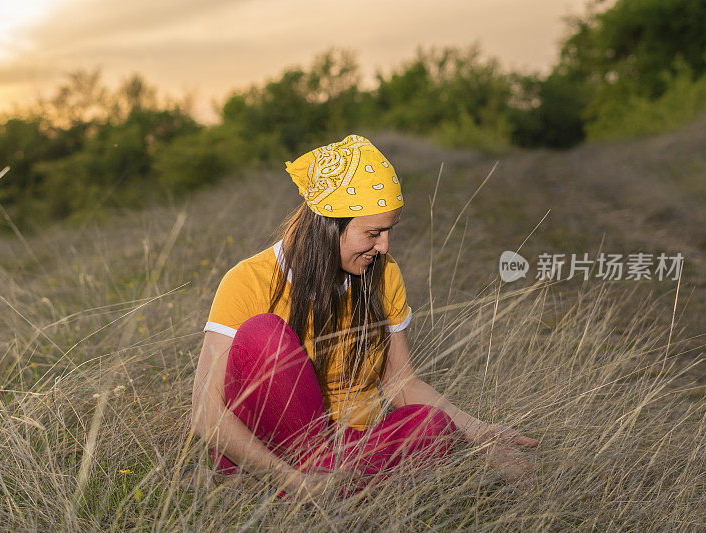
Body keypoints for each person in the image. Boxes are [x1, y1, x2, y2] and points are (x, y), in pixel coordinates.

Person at [190, 134, 538, 500]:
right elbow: (204, 411)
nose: (384, 246)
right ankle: (302, 488)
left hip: (350, 447)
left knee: (432, 425)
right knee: (263, 332)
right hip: (270, 453)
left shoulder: (383, 275)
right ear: (326, 225)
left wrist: (484, 434)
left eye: (388, 232)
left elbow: (402, 383)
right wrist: (292, 480)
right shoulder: (248, 280)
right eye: (373, 233)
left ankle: (325, 490)